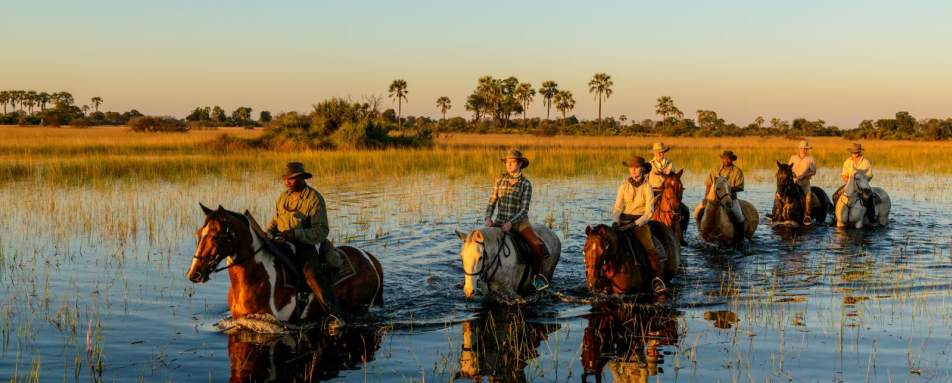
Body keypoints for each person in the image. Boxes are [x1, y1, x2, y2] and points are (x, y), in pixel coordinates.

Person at [266, 162, 342, 316]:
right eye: (285, 178)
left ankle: (334, 314)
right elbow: (275, 221)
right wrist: (267, 234)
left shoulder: (314, 198)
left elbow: (321, 230)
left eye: (292, 178)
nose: (287, 182)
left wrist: (296, 234)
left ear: (302, 178)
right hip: (282, 244)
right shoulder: (283, 197)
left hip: (306, 246)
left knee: (311, 275)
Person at [484, 149, 549, 292]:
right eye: (507, 162)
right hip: (500, 220)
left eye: (512, 162)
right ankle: (478, 277)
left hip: (519, 222)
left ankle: (537, 277)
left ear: (520, 164)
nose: (509, 165)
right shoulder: (500, 180)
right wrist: (488, 217)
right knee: (481, 245)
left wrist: (511, 223)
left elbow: (524, 209)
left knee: (537, 245)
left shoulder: (526, 184)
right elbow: (492, 201)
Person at [611, 156, 666, 293]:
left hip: (640, 222)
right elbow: (618, 207)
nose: (633, 171)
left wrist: (635, 224)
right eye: (631, 168)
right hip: (623, 220)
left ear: (642, 169)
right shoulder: (623, 186)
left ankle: (658, 280)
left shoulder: (647, 187)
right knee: (608, 244)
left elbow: (649, 212)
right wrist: (616, 220)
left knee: (650, 249)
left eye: (636, 168)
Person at [700, 150, 746, 243]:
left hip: (731, 199)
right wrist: (706, 198)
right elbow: (708, 184)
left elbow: (740, 187)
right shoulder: (715, 169)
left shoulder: (737, 171)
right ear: (722, 159)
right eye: (725, 158)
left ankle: (740, 239)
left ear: (732, 160)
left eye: (729, 159)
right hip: (714, 199)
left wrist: (726, 189)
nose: (727, 160)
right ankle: (702, 234)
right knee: (699, 212)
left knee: (740, 217)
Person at [839, 143, 877, 222]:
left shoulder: (866, 162)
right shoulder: (847, 162)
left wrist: (862, 182)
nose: (854, 154)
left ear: (859, 152)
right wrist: (850, 183)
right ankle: (836, 216)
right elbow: (844, 175)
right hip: (849, 184)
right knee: (836, 195)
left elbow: (869, 175)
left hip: (863, 185)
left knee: (869, 198)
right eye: (853, 152)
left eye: (856, 152)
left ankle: (871, 217)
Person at [788, 141, 817, 225]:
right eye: (802, 148)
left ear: (807, 149)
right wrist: (793, 175)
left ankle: (807, 215)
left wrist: (804, 175)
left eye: (805, 148)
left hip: (805, 183)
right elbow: (788, 168)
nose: (803, 150)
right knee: (780, 194)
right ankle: (776, 212)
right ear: (799, 149)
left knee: (808, 197)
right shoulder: (793, 157)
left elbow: (813, 171)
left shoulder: (810, 159)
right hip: (793, 182)